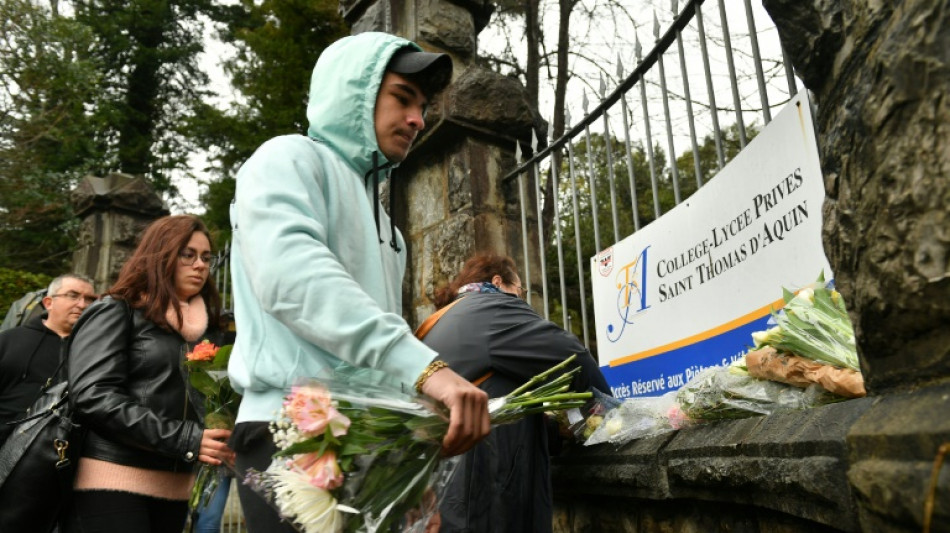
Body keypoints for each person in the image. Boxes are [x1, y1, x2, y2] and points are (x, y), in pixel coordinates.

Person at [227, 31, 490, 532]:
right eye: (402, 98)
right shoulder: (288, 159)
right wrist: (427, 370)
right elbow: (293, 278)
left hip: (372, 437)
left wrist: (415, 476)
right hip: (290, 426)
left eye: (424, 106)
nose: (418, 118)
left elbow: (376, 348)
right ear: (355, 92)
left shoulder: (390, 230)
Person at [63, 215, 235, 533]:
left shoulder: (210, 331)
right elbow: (92, 396)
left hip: (176, 489)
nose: (200, 265)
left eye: (206, 257)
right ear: (160, 255)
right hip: (111, 481)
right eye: (188, 254)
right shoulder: (116, 310)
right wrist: (186, 438)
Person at [418, 253, 611, 533]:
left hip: (442, 498)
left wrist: (554, 433)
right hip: (487, 497)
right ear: (498, 282)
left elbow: (491, 404)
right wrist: (610, 415)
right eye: (520, 291)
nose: (521, 301)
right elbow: (573, 357)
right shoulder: (492, 308)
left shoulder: (437, 322)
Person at [0, 273, 97, 446]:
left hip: (66, 454)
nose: (82, 304)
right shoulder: (8, 340)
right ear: (49, 302)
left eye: (89, 299)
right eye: (72, 295)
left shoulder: (96, 350)